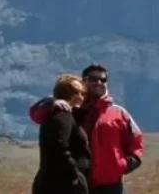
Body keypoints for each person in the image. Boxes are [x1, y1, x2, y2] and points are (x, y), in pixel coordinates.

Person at [29, 64, 144, 194]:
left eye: (103, 79)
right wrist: (50, 102)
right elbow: (36, 114)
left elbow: (136, 142)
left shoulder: (119, 113)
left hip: (109, 186)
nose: (99, 83)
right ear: (83, 81)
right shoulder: (68, 108)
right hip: (75, 183)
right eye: (93, 79)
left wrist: (121, 165)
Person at [32, 74, 91, 194]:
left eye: (83, 93)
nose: (82, 97)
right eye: (78, 93)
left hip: (59, 182)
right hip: (61, 186)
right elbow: (59, 147)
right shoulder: (62, 115)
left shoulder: (62, 114)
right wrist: (75, 175)